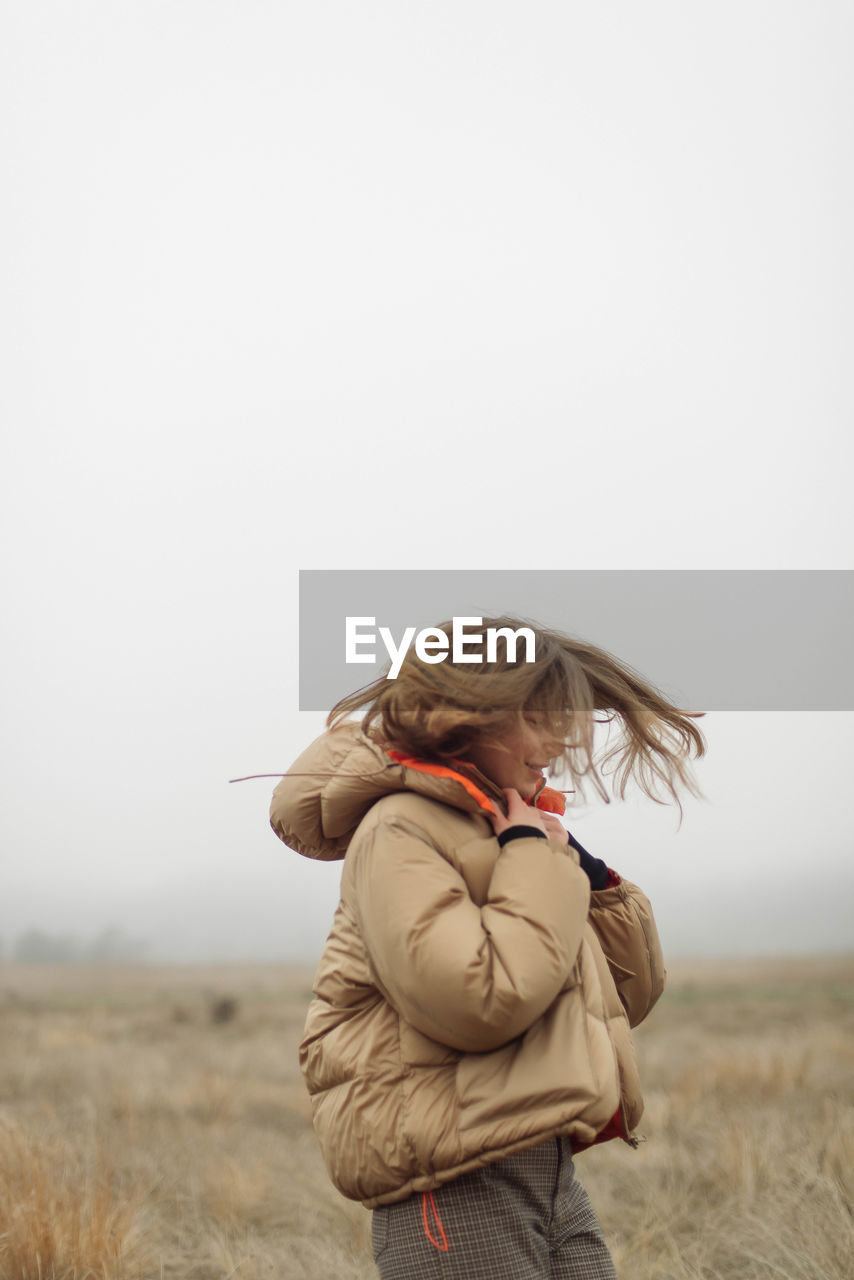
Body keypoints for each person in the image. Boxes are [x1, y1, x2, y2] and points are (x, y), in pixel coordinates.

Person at [269, 616, 705, 1279]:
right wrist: (537, 865)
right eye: (536, 716)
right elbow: (479, 1001)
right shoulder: (401, 828)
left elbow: (625, 999)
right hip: (454, 1181)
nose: (557, 739)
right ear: (463, 716)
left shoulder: (506, 830)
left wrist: (587, 875)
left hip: (541, 1161)